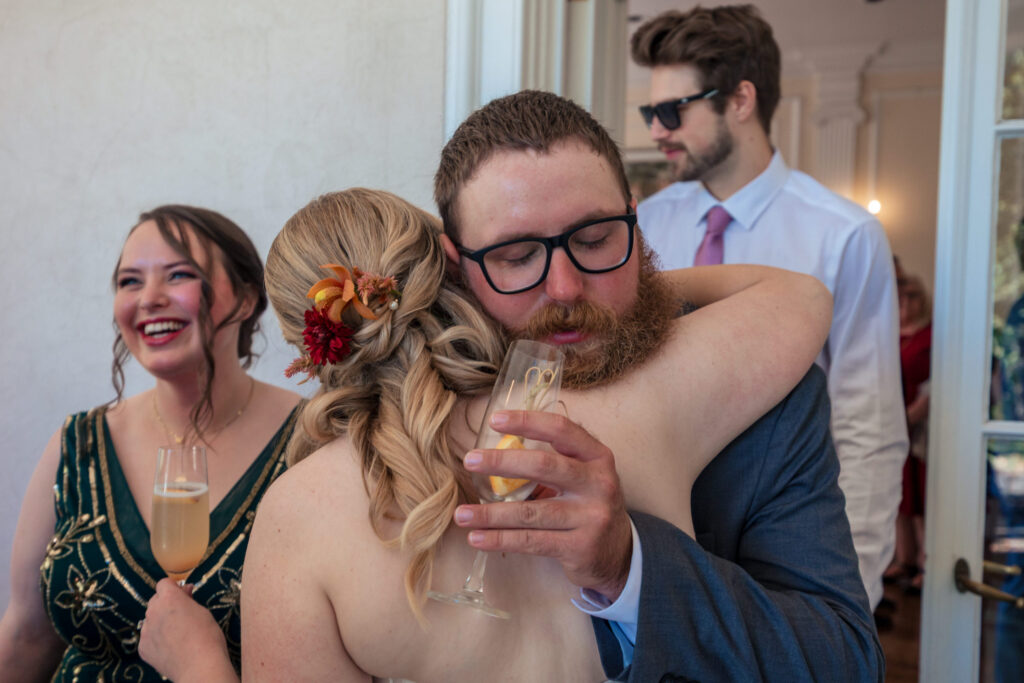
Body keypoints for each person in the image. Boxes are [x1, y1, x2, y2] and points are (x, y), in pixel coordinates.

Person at [241, 101, 876, 682]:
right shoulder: (669, 392)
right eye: (517, 256)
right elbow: (798, 295)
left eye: (596, 241)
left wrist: (631, 569)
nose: (566, 289)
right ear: (455, 268)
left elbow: (845, 662)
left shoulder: (300, 511)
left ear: (636, 221)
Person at [629, 4, 908, 610]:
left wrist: (851, 589)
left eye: (671, 111)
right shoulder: (643, 226)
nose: (656, 131)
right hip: (654, 535)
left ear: (740, 100)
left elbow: (868, 424)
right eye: (651, 113)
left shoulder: (843, 235)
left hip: (791, 533)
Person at [0, 206, 302, 682]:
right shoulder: (77, 444)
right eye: (130, 282)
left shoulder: (312, 441)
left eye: (179, 275)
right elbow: (26, 636)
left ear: (247, 298)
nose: (149, 299)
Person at [883, 265, 932, 594]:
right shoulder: (889, 333)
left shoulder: (931, 335)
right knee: (901, 498)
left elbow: (938, 382)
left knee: (924, 500)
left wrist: (913, 414)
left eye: (912, 296)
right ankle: (905, 558)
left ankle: (928, 563)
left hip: (921, 427)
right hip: (892, 424)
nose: (905, 303)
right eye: (900, 296)